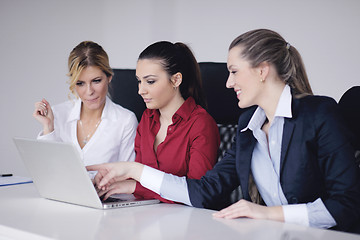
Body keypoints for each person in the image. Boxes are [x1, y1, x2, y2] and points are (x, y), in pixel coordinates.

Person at [87, 29, 360, 233]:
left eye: (234, 71)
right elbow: (206, 191)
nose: (228, 83)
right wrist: (135, 171)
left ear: (262, 71)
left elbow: (347, 205)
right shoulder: (247, 126)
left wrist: (267, 214)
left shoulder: (319, 114)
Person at [33, 41, 138, 166]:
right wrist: (48, 128)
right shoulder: (57, 114)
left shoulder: (125, 121)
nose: (89, 92)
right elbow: (47, 169)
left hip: (104, 186)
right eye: (80, 83)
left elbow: (128, 176)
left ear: (109, 78)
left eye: (96, 81)